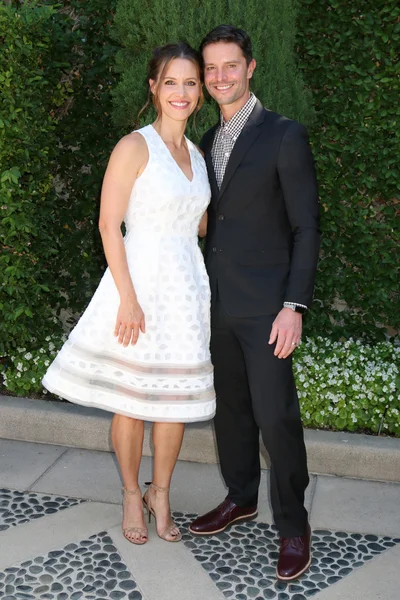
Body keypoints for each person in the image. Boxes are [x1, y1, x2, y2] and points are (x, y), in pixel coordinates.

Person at [43, 42, 215, 545]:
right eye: (171, 82)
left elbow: (201, 224)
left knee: (174, 400)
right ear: (153, 88)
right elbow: (107, 224)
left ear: (199, 92)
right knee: (133, 400)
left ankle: (160, 493)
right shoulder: (134, 146)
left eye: (190, 83)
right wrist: (128, 297)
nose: (181, 92)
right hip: (138, 282)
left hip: (185, 288)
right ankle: (129, 494)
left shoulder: (199, 155)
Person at [189, 26, 320, 582]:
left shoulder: (283, 135)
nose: (219, 77)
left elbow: (307, 227)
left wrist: (294, 304)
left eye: (230, 66)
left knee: (276, 419)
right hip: (215, 303)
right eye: (211, 69)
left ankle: (293, 525)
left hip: (268, 309)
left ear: (251, 67)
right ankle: (240, 497)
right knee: (234, 416)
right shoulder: (202, 141)